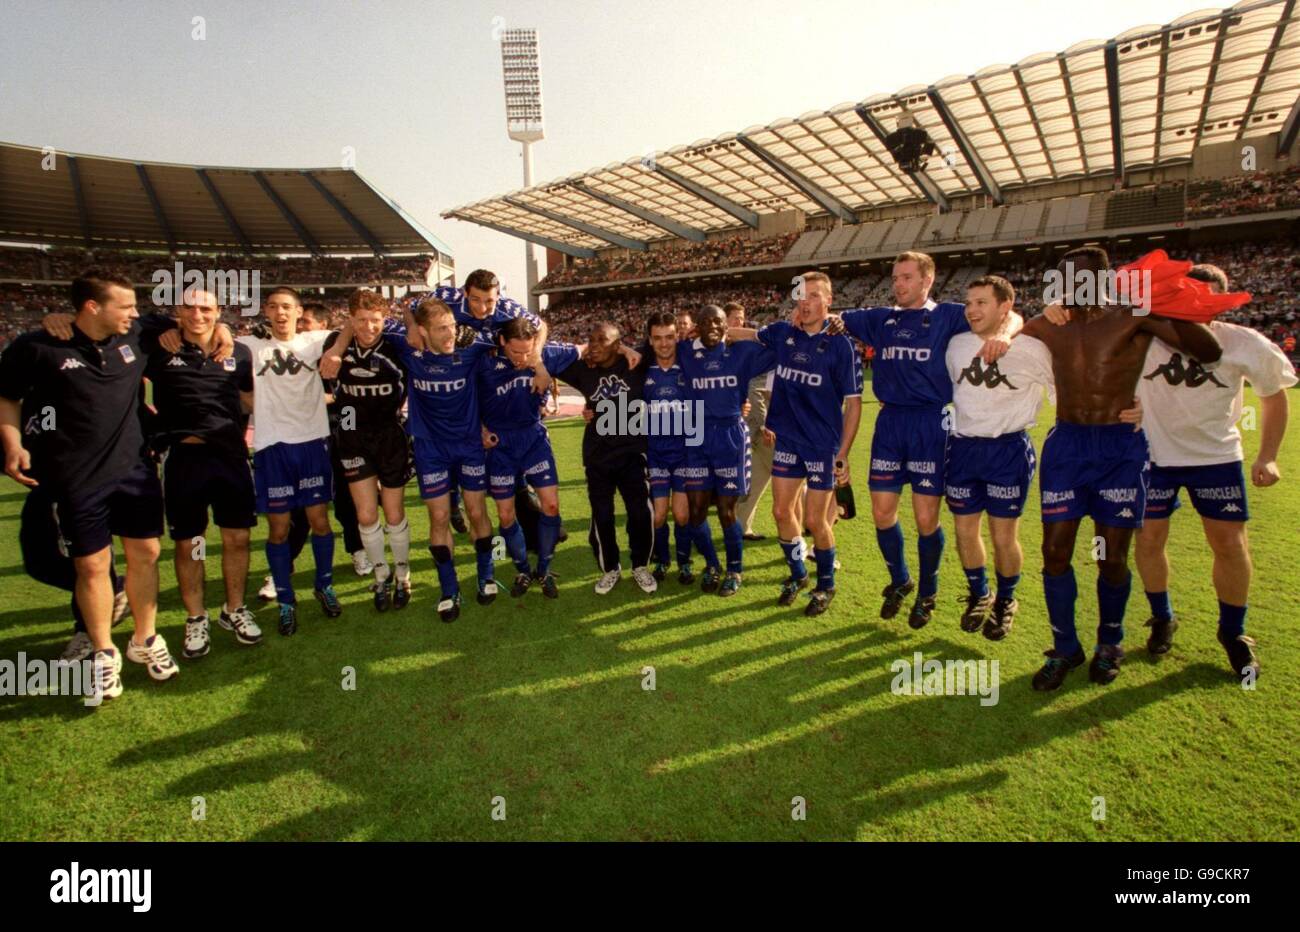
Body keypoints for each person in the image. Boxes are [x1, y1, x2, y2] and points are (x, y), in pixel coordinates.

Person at [1018, 247, 1236, 690]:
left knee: (1109, 556)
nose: (1071, 287)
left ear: (1102, 281)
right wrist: (1041, 310)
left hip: (1117, 452)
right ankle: (1065, 648)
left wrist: (1157, 305)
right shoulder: (1050, 324)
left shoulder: (1131, 317)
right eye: (1064, 279)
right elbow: (1011, 330)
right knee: (1055, 553)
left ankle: (1108, 643)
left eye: (1080, 278)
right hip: (1068, 448)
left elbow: (1209, 350)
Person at [0, 270, 186, 700]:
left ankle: (146, 639)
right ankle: (104, 652)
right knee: (91, 565)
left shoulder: (138, 333)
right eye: (125, 306)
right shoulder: (38, 346)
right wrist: (12, 444)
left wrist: (226, 335)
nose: (134, 313)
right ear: (91, 307)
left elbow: (195, 321)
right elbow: (6, 395)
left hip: (134, 470)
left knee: (147, 553)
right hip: (75, 477)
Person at [837, 252, 1021, 628]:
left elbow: (1011, 316)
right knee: (882, 513)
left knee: (925, 519)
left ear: (927, 280)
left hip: (930, 424)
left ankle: (927, 592)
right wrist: (805, 313)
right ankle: (900, 580)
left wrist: (1003, 334)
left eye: (906, 277)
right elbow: (834, 318)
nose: (898, 285)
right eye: (895, 277)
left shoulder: (948, 315)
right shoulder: (878, 319)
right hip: (889, 424)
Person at [1132, 263, 1294, 678]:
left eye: (1201, 297)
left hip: (1216, 459)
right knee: (1149, 540)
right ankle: (1162, 615)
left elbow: (1274, 396)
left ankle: (1233, 632)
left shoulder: (1243, 342)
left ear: (1219, 301)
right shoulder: (1146, 336)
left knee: (1229, 544)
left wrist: (1268, 455)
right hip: (1153, 458)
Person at [732, 272, 862, 615]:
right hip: (787, 440)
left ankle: (825, 585)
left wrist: (843, 453)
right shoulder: (782, 333)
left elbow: (854, 404)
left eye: (814, 296)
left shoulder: (841, 345)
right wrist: (712, 333)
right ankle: (797, 574)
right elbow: (745, 333)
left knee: (817, 522)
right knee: (779, 511)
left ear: (829, 301)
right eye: (801, 297)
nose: (806, 303)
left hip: (822, 445)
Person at [142, 288, 261, 657]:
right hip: (185, 460)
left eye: (206, 309)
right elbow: (129, 322)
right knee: (190, 544)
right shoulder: (160, 347)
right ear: (178, 311)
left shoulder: (237, 352)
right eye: (189, 308)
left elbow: (249, 398)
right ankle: (196, 618)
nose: (198, 315)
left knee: (237, 539)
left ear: (218, 312)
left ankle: (234, 608)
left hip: (230, 458)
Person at [239, 287, 343, 636]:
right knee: (279, 528)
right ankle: (285, 599)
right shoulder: (250, 346)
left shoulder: (314, 341)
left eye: (287, 307)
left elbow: (350, 329)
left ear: (299, 311)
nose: (280, 313)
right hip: (272, 446)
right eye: (273, 307)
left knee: (320, 521)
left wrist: (336, 353)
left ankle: (324, 585)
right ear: (266, 311)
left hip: (312, 442)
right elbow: (216, 338)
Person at [322, 289, 414, 611]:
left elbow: (420, 333)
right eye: (361, 320)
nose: (368, 327)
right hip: (351, 433)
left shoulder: (397, 345)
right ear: (350, 319)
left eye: (375, 320)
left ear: (384, 319)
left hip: (390, 435)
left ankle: (403, 574)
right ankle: (380, 575)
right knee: (364, 513)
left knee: (393, 513)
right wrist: (336, 346)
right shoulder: (334, 344)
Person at [677, 305, 776, 596]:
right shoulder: (685, 352)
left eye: (718, 322)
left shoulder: (742, 353)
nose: (712, 327)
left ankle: (734, 569)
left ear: (726, 327)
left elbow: (779, 345)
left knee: (726, 511)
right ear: (696, 326)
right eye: (705, 322)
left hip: (730, 436)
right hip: (696, 435)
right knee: (695, 513)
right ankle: (712, 564)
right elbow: (654, 347)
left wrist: (740, 332)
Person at [477, 317, 577, 599]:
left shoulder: (542, 355)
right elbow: (463, 399)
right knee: (506, 514)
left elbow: (588, 349)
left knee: (552, 506)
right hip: (500, 445)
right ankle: (522, 569)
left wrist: (628, 351)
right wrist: (480, 428)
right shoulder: (483, 364)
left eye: (527, 351)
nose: (522, 358)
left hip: (533, 439)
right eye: (515, 352)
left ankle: (543, 570)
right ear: (502, 342)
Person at [553, 321, 656, 594]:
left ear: (616, 344)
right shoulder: (583, 369)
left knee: (640, 513)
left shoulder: (636, 364)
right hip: (597, 455)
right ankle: (610, 568)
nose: (594, 345)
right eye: (591, 340)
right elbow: (547, 355)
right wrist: (579, 350)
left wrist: (624, 348)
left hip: (633, 452)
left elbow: (665, 344)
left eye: (601, 340)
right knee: (602, 515)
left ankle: (640, 565)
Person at [302, 302, 367, 577]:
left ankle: (358, 550)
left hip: (338, 428)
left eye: (306, 322)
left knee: (346, 493)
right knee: (301, 503)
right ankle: (285, 563)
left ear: (321, 325)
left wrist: (333, 403)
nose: (301, 327)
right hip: (302, 434)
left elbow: (347, 400)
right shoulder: (287, 347)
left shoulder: (332, 342)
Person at [641, 310, 696, 583]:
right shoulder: (641, 368)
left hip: (685, 453)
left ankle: (685, 562)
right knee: (660, 515)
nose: (664, 343)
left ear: (678, 336)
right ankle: (662, 560)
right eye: (658, 338)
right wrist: (594, 411)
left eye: (669, 337)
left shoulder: (689, 364)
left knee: (683, 514)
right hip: (656, 455)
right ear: (650, 340)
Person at [729, 301, 774, 542]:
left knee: (759, 474)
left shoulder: (751, 348)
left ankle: (740, 525)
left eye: (742, 317)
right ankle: (809, 520)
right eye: (735, 318)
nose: (739, 322)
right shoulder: (716, 350)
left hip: (757, 423)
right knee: (785, 472)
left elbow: (765, 387)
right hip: (734, 426)